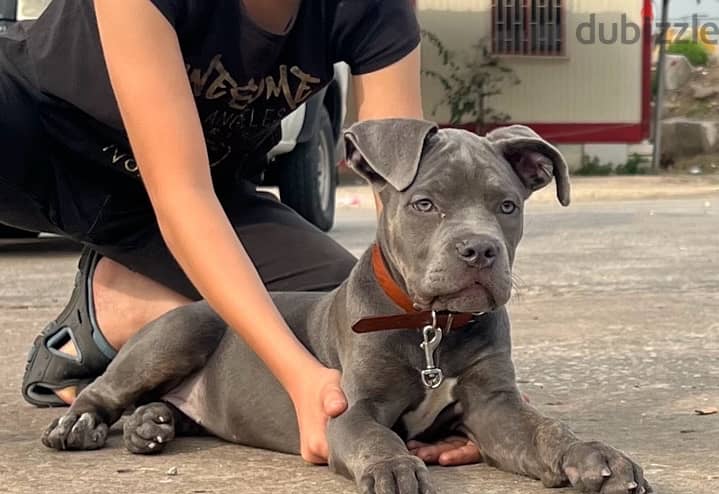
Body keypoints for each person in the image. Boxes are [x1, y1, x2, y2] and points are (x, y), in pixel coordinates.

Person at [0, 0, 480, 466]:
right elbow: (179, 196)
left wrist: (463, 383)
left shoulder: (376, 7)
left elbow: (402, 187)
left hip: (196, 191)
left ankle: (118, 312)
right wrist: (299, 379)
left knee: (341, 315)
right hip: (38, 141)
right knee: (309, 344)